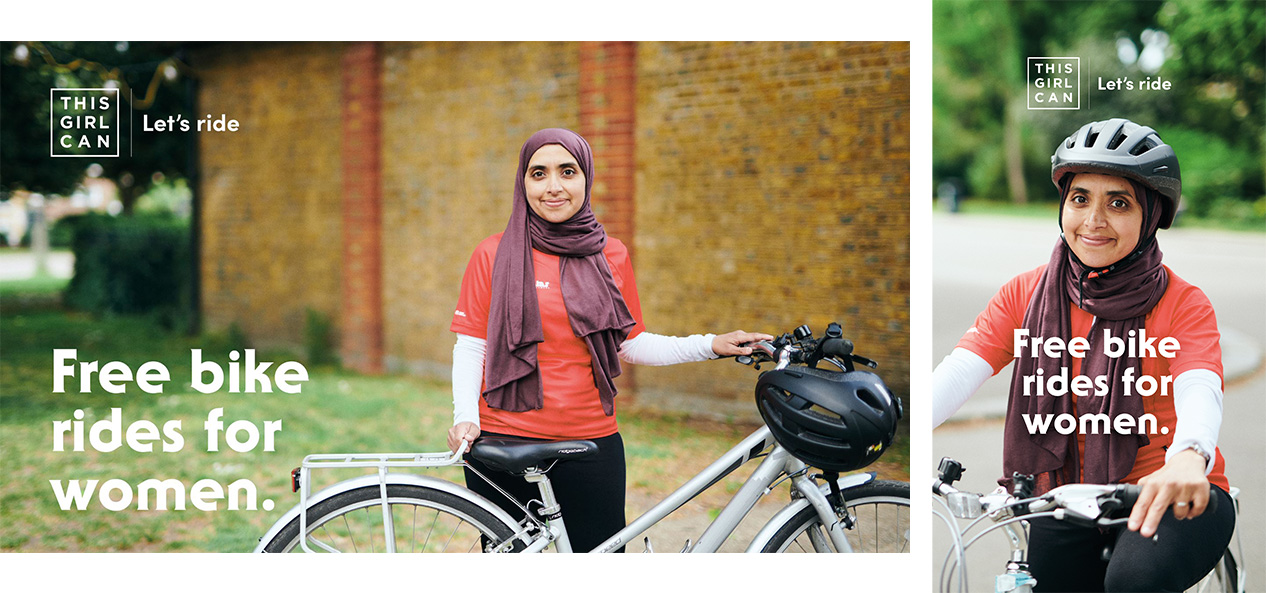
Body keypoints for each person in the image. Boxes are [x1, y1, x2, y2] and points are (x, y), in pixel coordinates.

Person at [932, 119, 1235, 591]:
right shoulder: (1026, 294)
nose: (1093, 219)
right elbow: (959, 371)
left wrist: (1190, 456)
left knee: (1133, 582)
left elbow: (1200, 385)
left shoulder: (1182, 303)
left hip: (1172, 490)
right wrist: (897, 420)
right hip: (1066, 496)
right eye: (1080, 198)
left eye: (1118, 203)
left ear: (1152, 214)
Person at [446, 128, 770, 553]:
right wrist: (465, 416)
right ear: (523, 183)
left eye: (567, 171)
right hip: (503, 442)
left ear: (587, 178)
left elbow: (628, 344)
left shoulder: (610, 254)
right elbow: (473, 344)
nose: (553, 186)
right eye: (538, 174)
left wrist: (710, 344)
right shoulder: (492, 254)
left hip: (590, 442)